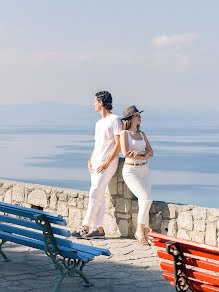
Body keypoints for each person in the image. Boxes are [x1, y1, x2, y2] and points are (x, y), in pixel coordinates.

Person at [72, 91, 122, 239]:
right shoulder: (98, 123)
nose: (93, 104)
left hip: (108, 163)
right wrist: (90, 159)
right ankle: (99, 229)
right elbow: (98, 144)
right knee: (99, 193)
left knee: (94, 191)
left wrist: (107, 162)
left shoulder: (115, 120)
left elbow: (118, 144)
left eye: (95, 101)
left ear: (101, 103)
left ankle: (85, 226)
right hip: (96, 162)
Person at [120, 105, 153, 246]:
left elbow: (151, 152)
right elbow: (126, 153)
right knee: (146, 198)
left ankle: (145, 231)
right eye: (137, 115)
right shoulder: (124, 134)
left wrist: (140, 154)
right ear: (130, 118)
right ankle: (140, 231)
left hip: (144, 170)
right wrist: (144, 155)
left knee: (143, 200)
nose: (140, 117)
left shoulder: (142, 134)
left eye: (139, 115)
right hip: (131, 170)